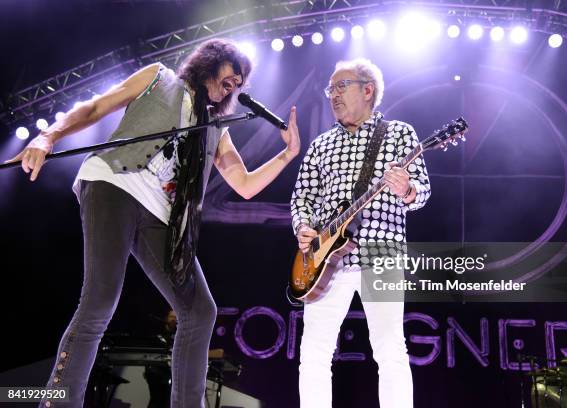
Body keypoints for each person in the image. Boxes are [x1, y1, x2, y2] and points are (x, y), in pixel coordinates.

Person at [6, 38, 300, 408]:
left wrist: (288, 154)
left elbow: (243, 184)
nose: (236, 85)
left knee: (199, 311)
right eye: (232, 75)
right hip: (114, 182)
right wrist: (48, 135)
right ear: (211, 62)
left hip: (160, 213)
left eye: (240, 83)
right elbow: (96, 106)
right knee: (99, 300)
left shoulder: (215, 127)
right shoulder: (158, 78)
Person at [290, 58, 430, 408]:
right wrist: (303, 226)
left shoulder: (399, 134)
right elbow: (302, 197)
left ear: (368, 90)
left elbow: (422, 192)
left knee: (390, 348)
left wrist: (406, 189)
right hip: (323, 261)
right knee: (314, 352)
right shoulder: (320, 144)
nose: (332, 95)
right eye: (330, 89)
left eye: (341, 86)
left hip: (380, 252)